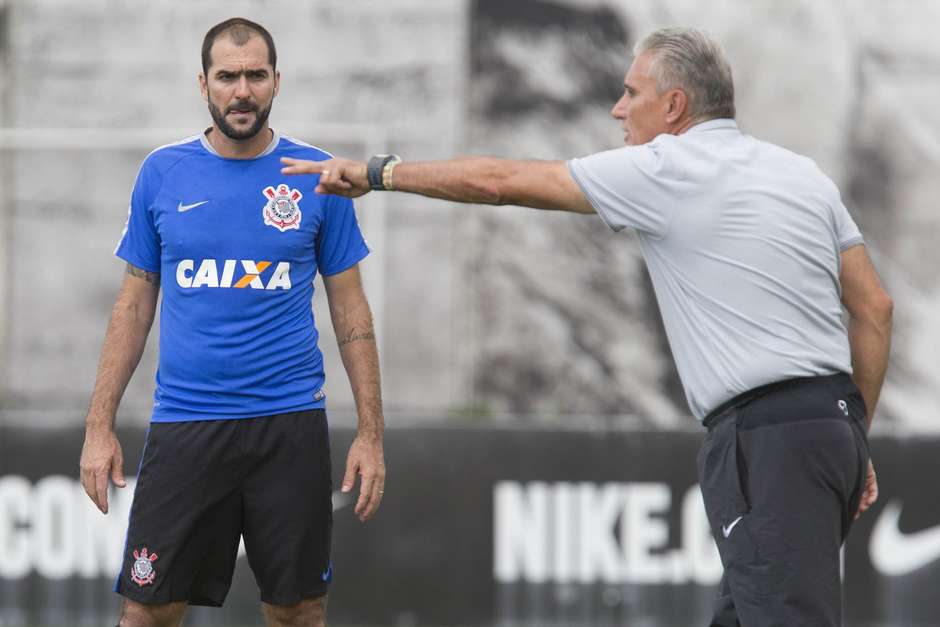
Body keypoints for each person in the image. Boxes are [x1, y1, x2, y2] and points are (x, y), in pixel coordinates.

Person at [281, 27, 893, 627]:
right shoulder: (803, 175)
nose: (617, 107)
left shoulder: (668, 166)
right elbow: (874, 310)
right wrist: (852, 434)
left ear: (674, 105)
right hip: (830, 425)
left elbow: (499, 183)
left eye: (632, 92)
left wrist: (379, 173)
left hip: (766, 442)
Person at [78, 17, 385, 627]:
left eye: (254, 75)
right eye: (227, 77)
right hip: (187, 424)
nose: (241, 90)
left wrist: (372, 432)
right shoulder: (163, 172)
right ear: (203, 84)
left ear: (276, 82)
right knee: (147, 612)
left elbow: (351, 309)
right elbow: (134, 305)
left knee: (298, 612)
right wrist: (98, 425)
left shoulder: (317, 175)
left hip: (289, 426)